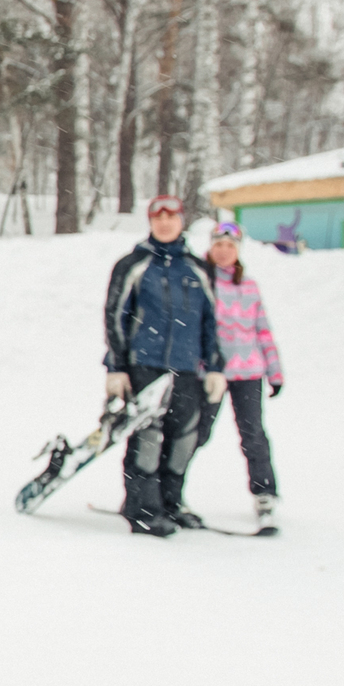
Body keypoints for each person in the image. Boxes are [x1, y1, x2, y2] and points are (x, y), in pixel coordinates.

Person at [103, 195, 226, 536]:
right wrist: (116, 367)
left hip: (187, 368)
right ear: (151, 221)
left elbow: (211, 321)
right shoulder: (133, 265)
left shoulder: (196, 268)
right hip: (146, 365)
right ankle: (142, 508)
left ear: (181, 220)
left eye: (171, 216)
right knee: (148, 438)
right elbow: (115, 317)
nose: (165, 222)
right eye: (159, 217)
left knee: (183, 440)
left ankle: (171, 503)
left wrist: (215, 366)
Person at [195, 222, 283, 529]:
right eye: (218, 245)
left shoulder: (249, 286)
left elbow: (263, 329)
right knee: (197, 431)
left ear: (237, 250)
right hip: (212, 372)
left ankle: (265, 494)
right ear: (210, 248)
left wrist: (275, 371)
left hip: (249, 372)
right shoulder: (202, 282)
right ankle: (167, 488)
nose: (223, 251)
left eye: (230, 246)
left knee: (253, 434)